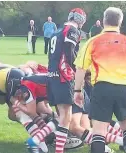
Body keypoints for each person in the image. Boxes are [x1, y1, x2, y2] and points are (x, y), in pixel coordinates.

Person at [73, 7, 126, 153]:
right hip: (124, 88)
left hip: (102, 87)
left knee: (98, 131)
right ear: (120, 22)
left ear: (104, 21)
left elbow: (80, 69)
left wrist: (77, 90)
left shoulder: (93, 42)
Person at [26, 8, 86, 153]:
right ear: (80, 20)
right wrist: (78, 71)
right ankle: (53, 148)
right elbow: (70, 55)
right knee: (66, 115)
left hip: (52, 76)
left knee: (62, 116)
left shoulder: (57, 31)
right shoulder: (71, 31)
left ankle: (36, 140)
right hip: (63, 77)